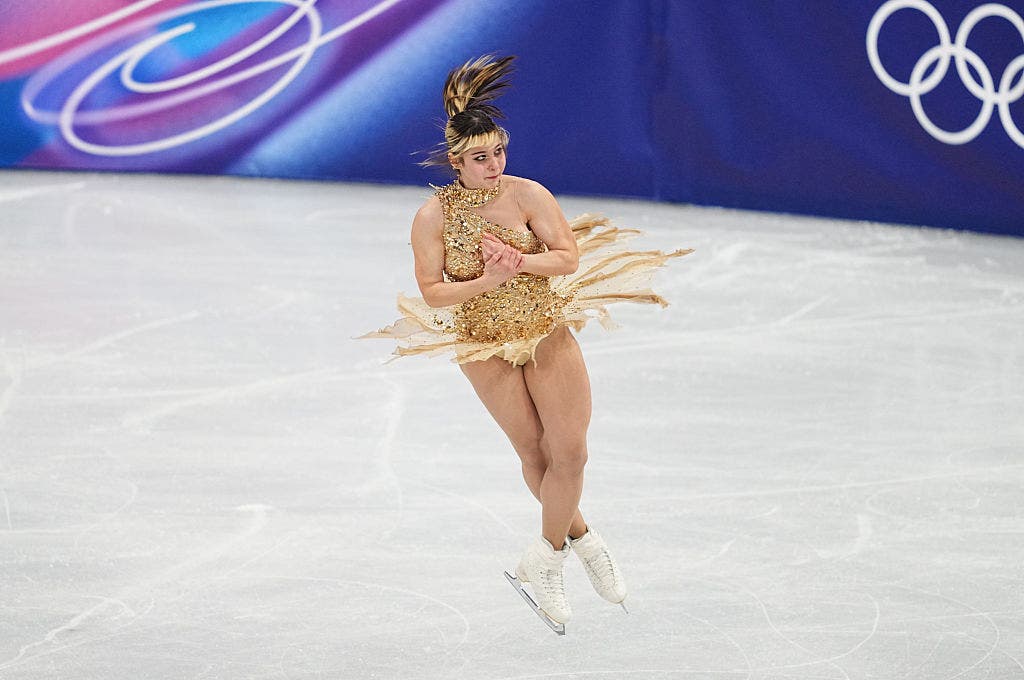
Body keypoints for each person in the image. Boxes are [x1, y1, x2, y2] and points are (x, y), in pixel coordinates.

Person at [362, 54, 691, 628]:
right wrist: (489, 279)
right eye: (480, 157)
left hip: (542, 326)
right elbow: (433, 292)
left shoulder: (527, 195)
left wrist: (525, 262)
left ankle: (545, 556)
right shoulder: (431, 216)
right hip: (482, 343)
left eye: (499, 153)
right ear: (457, 160)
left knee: (573, 451)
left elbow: (568, 256)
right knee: (535, 453)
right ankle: (578, 543)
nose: (494, 165)